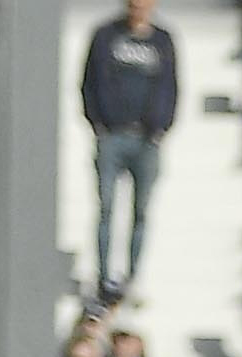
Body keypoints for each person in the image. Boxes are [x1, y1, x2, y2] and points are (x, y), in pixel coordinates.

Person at [79, 0, 179, 300]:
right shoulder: (105, 35)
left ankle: (133, 275)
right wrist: (98, 120)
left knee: (141, 211)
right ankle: (103, 274)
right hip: (112, 134)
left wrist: (160, 126)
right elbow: (87, 82)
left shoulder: (162, 40)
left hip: (146, 138)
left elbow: (172, 86)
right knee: (107, 207)